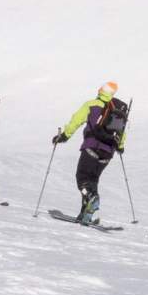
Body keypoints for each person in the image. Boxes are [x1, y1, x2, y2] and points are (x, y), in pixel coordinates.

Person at [52, 82, 128, 225]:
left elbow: (76, 120)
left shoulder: (91, 104)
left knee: (82, 178)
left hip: (91, 147)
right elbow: (122, 132)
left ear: (100, 91)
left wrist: (64, 136)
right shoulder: (117, 110)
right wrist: (120, 146)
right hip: (107, 154)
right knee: (92, 181)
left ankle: (92, 199)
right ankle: (85, 214)